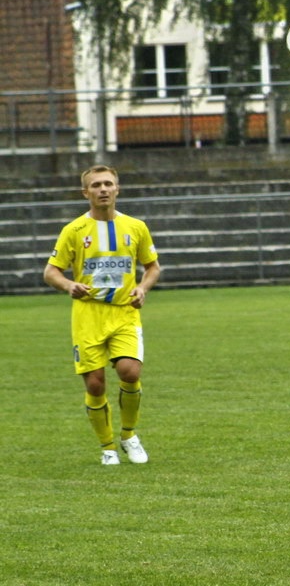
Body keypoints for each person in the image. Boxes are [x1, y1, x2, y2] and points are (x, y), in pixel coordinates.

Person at [43, 165, 161, 466]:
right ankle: (107, 447)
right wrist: (69, 285)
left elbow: (152, 267)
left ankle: (129, 435)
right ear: (86, 193)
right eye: (96, 185)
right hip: (88, 315)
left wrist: (142, 288)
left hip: (124, 312)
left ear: (117, 189)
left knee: (130, 372)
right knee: (95, 384)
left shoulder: (136, 227)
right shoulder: (74, 231)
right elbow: (50, 271)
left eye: (108, 184)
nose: (103, 189)